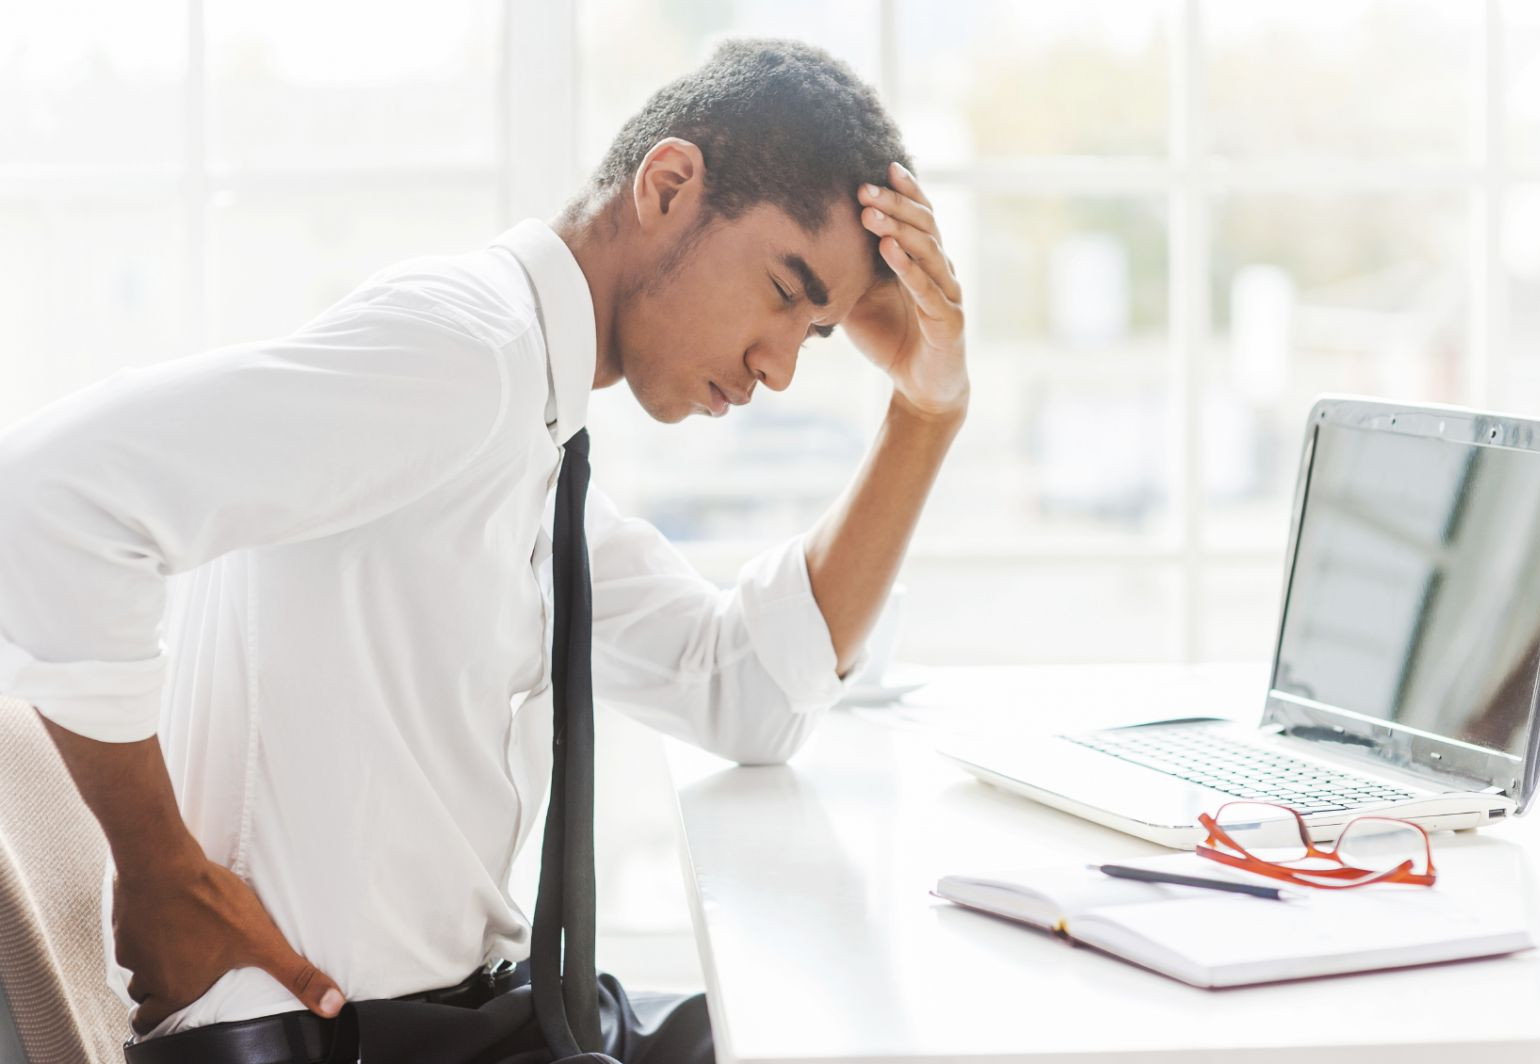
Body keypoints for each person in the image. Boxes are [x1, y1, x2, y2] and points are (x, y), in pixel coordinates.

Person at [0, 37, 966, 1064]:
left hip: (475, 1013)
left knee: (816, 1030)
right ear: (670, 185)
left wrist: (926, 409)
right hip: (338, 1031)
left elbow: (744, 692)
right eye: (784, 290)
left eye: (816, 333)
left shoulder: (524, 428)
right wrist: (164, 875)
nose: (778, 368)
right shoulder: (466, 359)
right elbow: (42, 496)